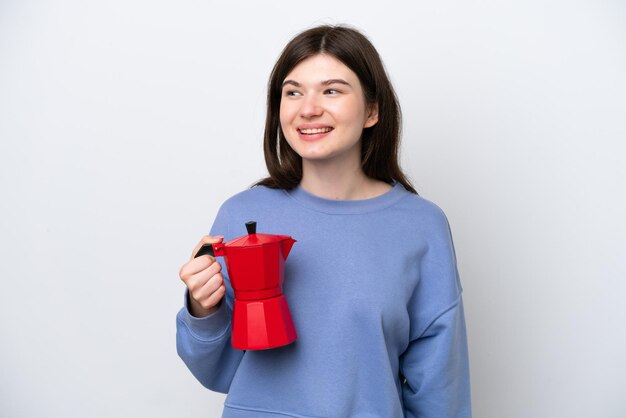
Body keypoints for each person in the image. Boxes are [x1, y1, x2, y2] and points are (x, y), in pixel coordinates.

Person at [177, 24, 471, 417]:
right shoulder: (241, 214)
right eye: (293, 92)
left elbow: (439, 388)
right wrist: (203, 308)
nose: (308, 108)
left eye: (331, 90)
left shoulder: (421, 226)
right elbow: (217, 371)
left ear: (372, 110)